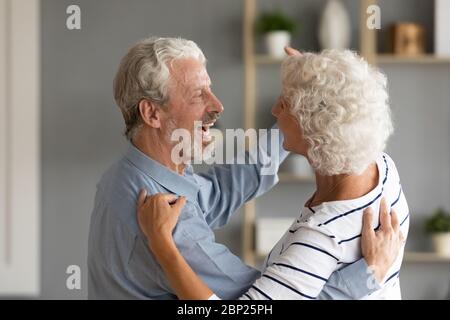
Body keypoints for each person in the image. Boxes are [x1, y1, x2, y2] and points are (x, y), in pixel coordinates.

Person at [88, 37, 403, 299]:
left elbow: (224, 190)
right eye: (199, 94)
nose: (217, 105)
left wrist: (318, 96)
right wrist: (368, 275)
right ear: (152, 114)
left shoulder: (128, 175)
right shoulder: (170, 224)